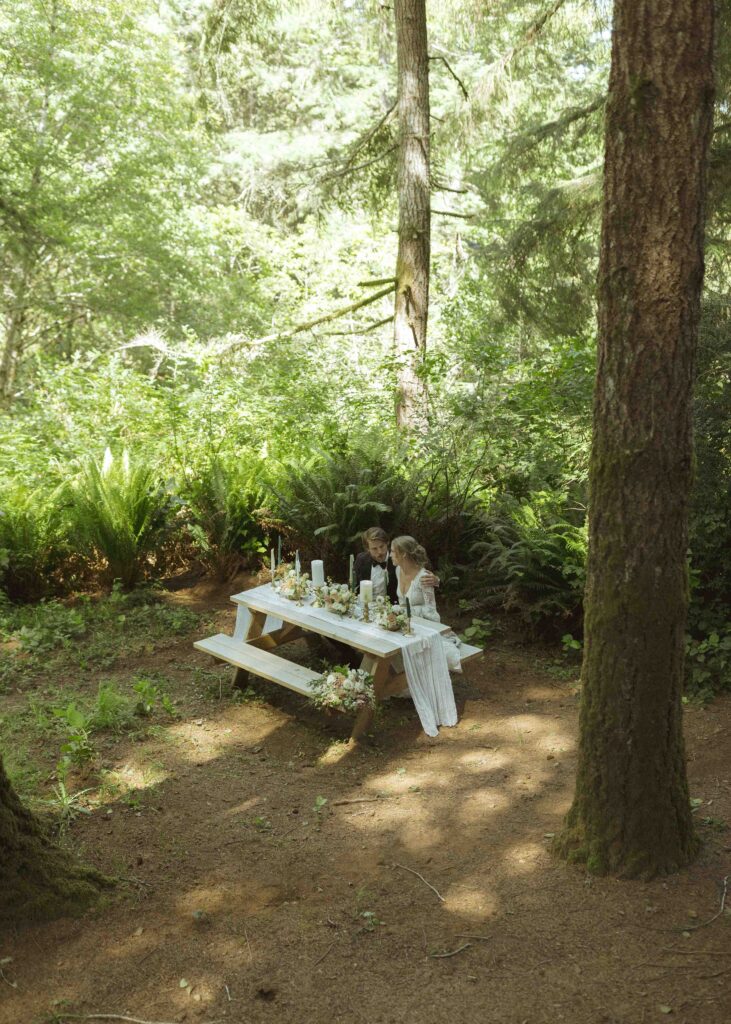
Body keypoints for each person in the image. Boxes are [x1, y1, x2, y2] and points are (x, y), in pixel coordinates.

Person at [390, 535, 462, 672]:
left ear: (403, 554)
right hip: (404, 625)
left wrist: (404, 611)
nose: (390, 555)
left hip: (424, 627)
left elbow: (432, 612)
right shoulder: (398, 570)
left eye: (393, 551)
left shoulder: (425, 578)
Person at [354, 527, 438, 604]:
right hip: (365, 606)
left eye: (382, 546)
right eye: (374, 549)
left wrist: (436, 581)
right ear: (367, 549)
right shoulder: (361, 559)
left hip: (391, 608)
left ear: (387, 543)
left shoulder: (398, 559)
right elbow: (355, 585)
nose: (380, 552)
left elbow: (421, 573)